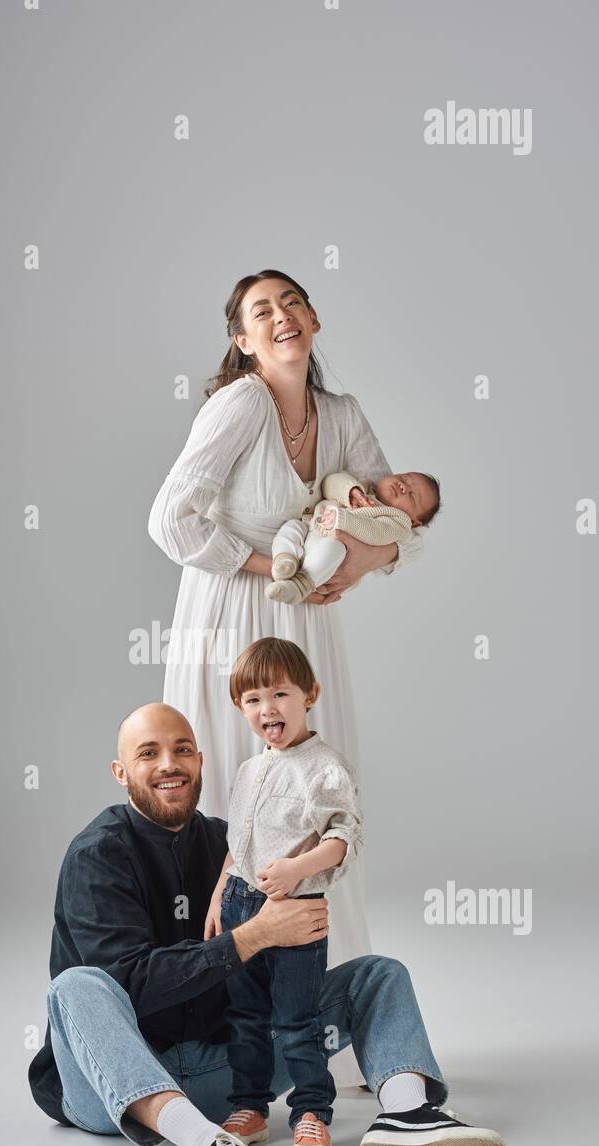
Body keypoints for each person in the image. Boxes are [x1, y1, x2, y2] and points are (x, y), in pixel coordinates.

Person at [27, 703, 507, 1146]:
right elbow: (132, 984)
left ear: (200, 761)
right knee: (77, 985)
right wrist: (251, 937)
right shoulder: (97, 855)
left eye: (182, 750)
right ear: (121, 773)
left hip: (229, 1079)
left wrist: (312, 868)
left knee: (376, 975)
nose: (170, 763)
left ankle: (409, 1114)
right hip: (111, 1088)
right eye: (150, 753)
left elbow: (325, 855)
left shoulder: (228, 842)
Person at [147, 268, 422, 1089]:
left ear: (314, 317)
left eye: (291, 302)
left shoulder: (339, 415)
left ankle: (312, 1025)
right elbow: (170, 519)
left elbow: (396, 515)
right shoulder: (237, 405)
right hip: (230, 611)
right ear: (240, 339)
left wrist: (356, 564)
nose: (280, 317)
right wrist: (271, 563)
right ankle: (223, 1025)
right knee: (237, 800)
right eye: (260, 312)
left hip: (303, 622)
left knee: (313, 795)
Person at [205, 638, 364, 1146]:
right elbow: (237, 848)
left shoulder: (325, 768)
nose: (266, 708)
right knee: (245, 1014)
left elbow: (345, 837)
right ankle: (249, 1106)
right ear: (240, 708)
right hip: (240, 906)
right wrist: (217, 899)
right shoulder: (250, 771)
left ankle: (311, 1112)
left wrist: (298, 868)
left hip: (296, 914)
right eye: (252, 699)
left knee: (298, 1019)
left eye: (279, 694)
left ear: (309, 695)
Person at [267, 468, 441, 604]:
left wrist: (343, 519)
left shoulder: (399, 522)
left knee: (333, 548)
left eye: (412, 496)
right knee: (291, 528)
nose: (403, 487)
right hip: (310, 528)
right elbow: (329, 482)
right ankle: (285, 561)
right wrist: (351, 490)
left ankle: (299, 586)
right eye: (404, 478)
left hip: (335, 557)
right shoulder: (363, 487)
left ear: (415, 522)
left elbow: (375, 531)